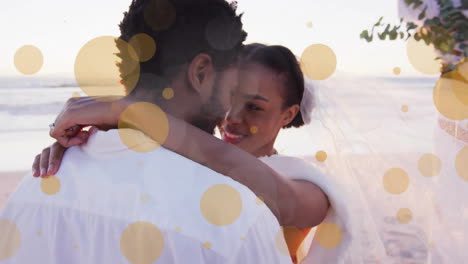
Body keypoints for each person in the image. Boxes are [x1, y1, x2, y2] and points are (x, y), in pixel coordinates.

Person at [0, 0, 293, 263]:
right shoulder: (236, 218)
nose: (231, 104)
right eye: (233, 85)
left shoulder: (32, 189)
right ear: (201, 72)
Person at [34, 44, 354, 263]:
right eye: (227, 96)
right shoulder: (189, 156)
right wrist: (85, 148)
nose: (232, 117)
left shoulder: (305, 185)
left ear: (287, 115)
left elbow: (277, 200)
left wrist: (129, 111)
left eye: (254, 106)